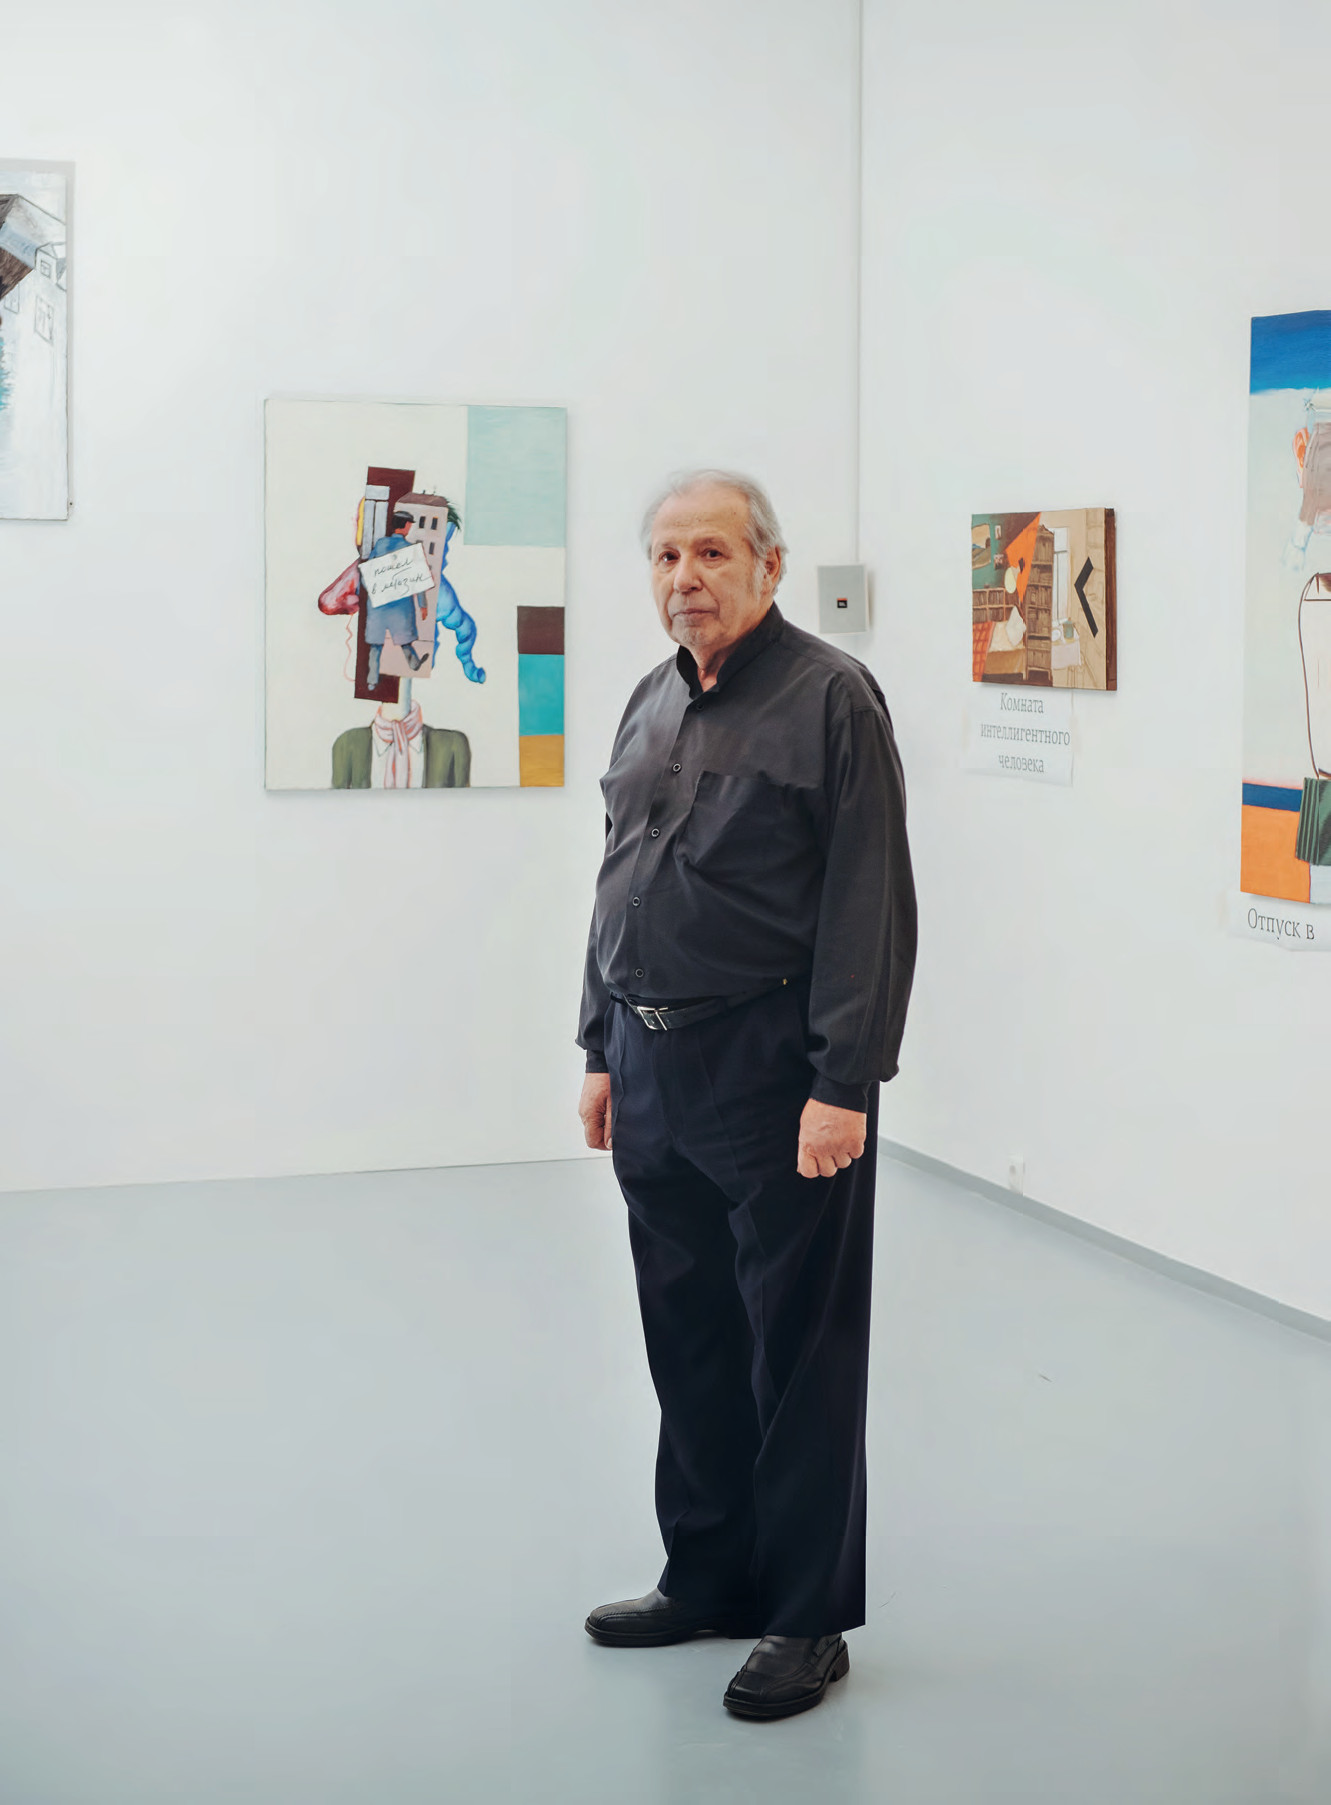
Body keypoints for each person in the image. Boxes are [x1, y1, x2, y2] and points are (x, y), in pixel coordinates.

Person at [577, 470, 917, 1721]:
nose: (685, 578)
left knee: (799, 1349)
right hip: (649, 1062)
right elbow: (617, 877)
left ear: (769, 566)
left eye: (712, 553)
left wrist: (842, 1081)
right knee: (689, 1335)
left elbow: (869, 902)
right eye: (666, 555)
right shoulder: (649, 697)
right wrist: (597, 1045)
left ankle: (805, 1616)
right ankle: (708, 1573)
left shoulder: (831, 698)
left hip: (772, 1071)